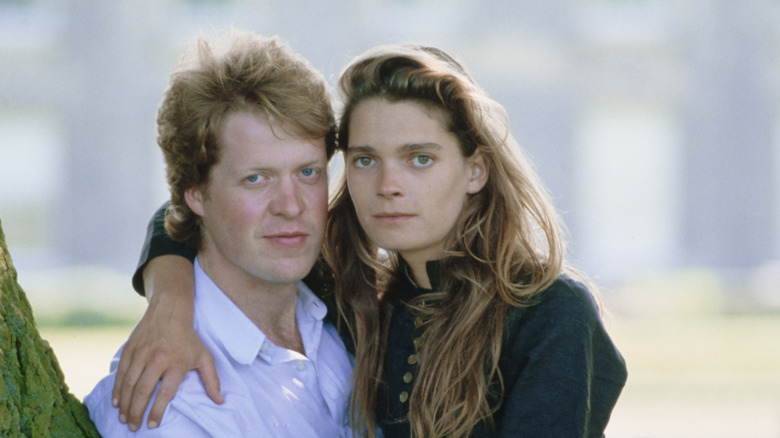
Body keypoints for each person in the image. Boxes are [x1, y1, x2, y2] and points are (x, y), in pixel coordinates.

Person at [117, 44, 628, 437]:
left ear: (476, 169)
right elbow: (206, 211)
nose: (388, 186)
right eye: (365, 159)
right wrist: (171, 300)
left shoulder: (547, 314)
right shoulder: (354, 295)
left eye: (419, 158)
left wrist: (169, 299)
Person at [85, 29, 356, 437]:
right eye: (256, 179)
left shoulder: (347, 309)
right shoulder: (170, 404)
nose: (291, 204)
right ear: (195, 194)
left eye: (307, 172)